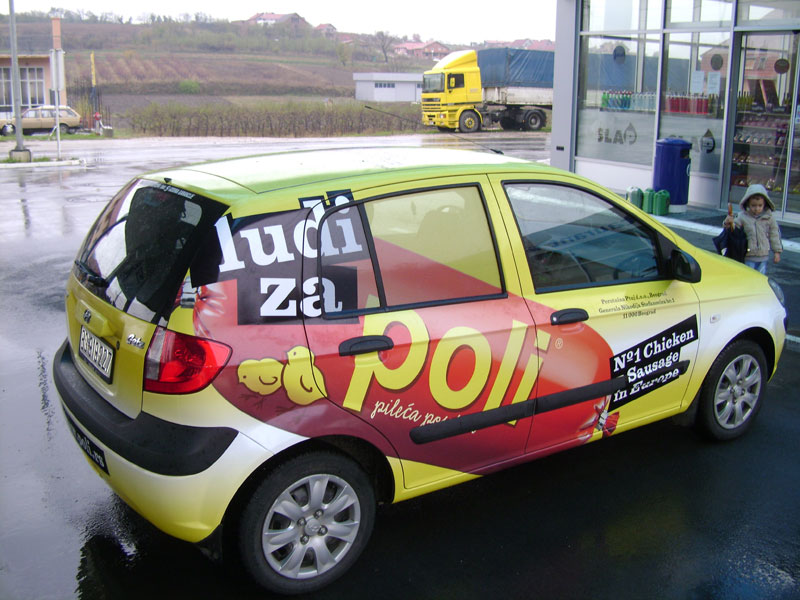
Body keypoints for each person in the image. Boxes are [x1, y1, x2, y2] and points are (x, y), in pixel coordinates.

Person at [723, 183, 782, 274]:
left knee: (760, 277)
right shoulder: (742, 216)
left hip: (763, 255)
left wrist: (777, 252)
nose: (756, 208)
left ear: (765, 204)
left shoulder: (769, 218)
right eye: (753, 205)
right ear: (747, 204)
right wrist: (728, 223)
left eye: (760, 205)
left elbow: (774, 235)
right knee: (748, 275)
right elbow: (733, 229)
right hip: (748, 255)